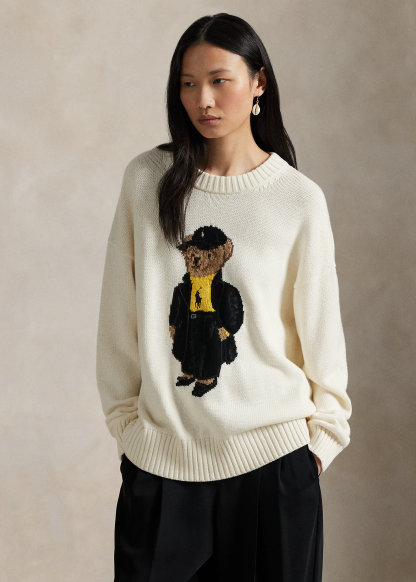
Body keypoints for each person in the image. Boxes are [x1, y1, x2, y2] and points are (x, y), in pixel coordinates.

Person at [95, 12, 352, 582]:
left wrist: (319, 445)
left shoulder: (297, 199)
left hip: (273, 469)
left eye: (219, 80)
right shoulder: (147, 181)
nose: (203, 100)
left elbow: (321, 331)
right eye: (188, 83)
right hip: (161, 468)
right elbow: (118, 318)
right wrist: (128, 428)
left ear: (259, 82)